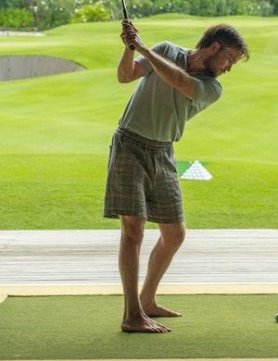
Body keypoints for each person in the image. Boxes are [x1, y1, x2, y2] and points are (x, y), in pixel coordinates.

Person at [105, 19, 249, 333]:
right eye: (229, 59)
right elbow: (125, 76)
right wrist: (129, 49)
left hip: (163, 152)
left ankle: (147, 300)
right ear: (214, 48)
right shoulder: (167, 50)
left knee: (175, 234)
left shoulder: (212, 88)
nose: (229, 68)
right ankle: (132, 314)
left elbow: (180, 83)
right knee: (133, 230)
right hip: (129, 144)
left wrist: (143, 47)